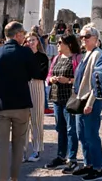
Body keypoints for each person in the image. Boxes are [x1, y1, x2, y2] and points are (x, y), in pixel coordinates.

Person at [0, 21, 46, 181]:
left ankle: (2, 178)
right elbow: (36, 72)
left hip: (1, 105)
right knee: (18, 144)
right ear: (17, 35)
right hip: (21, 104)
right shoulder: (25, 53)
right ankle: (14, 177)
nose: (24, 37)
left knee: (2, 144)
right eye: (23, 34)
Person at [72, 24, 102, 179]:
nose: (83, 39)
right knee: (82, 134)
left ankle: (99, 168)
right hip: (81, 98)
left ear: (96, 39)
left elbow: (97, 82)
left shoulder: (98, 54)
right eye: (81, 36)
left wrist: (90, 102)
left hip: (90, 100)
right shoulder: (87, 53)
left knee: (91, 135)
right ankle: (88, 164)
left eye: (86, 37)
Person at [45, 34, 82, 172]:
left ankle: (72, 159)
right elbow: (48, 75)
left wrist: (68, 81)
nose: (57, 44)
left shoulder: (77, 58)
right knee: (60, 128)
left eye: (60, 42)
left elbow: (81, 78)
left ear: (69, 44)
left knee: (71, 129)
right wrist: (52, 79)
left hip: (70, 98)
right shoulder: (56, 58)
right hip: (56, 97)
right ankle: (61, 156)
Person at [22, 29, 49, 163]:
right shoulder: (23, 56)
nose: (31, 42)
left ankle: (37, 149)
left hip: (37, 87)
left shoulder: (42, 57)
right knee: (22, 120)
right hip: (24, 87)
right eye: (28, 40)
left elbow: (41, 75)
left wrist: (29, 73)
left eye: (33, 39)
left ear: (38, 41)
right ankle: (22, 150)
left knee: (37, 119)